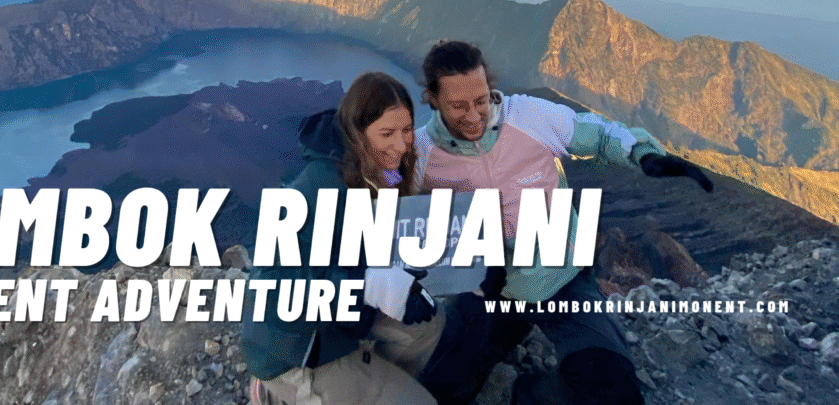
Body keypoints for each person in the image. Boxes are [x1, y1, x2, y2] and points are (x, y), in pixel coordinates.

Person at [413, 41, 714, 405]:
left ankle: (529, 392)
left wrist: (642, 153)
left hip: (559, 274)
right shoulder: (423, 154)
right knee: (438, 389)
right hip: (486, 287)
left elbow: (598, 133)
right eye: (458, 106)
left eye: (481, 100)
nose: (475, 115)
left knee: (613, 388)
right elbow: (385, 202)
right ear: (432, 98)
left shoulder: (528, 117)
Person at [241, 71, 444, 405]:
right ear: (358, 134)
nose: (401, 143)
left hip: (340, 321)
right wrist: (368, 285)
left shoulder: (378, 171)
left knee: (426, 325)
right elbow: (274, 292)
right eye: (387, 133)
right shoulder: (321, 186)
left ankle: (373, 387)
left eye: (407, 130)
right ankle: (276, 395)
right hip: (293, 350)